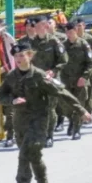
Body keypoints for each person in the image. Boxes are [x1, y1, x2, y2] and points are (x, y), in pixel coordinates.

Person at [0, 41, 90, 183]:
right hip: (20, 123)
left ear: (30, 56)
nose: (19, 59)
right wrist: (12, 101)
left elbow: (62, 92)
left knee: (25, 155)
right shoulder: (11, 76)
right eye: (16, 56)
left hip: (39, 122)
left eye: (22, 55)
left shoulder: (40, 76)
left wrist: (81, 110)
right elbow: (1, 94)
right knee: (33, 157)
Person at [29, 17, 68, 147]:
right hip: (36, 82)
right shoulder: (31, 44)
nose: (37, 28)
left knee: (50, 109)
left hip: (51, 80)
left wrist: (54, 71)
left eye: (39, 25)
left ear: (45, 26)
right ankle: (40, 134)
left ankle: (49, 135)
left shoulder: (54, 41)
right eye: (35, 26)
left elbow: (63, 60)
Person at [61, 23, 92, 140]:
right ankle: (71, 120)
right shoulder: (63, 46)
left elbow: (91, 64)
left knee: (78, 104)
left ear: (76, 31)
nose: (68, 35)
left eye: (70, 32)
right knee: (66, 106)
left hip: (80, 81)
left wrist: (84, 77)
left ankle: (76, 129)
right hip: (66, 81)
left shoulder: (84, 45)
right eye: (66, 32)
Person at [0, 18, 18, 148]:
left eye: (0, 27)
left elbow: (14, 56)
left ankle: (11, 135)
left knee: (9, 107)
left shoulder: (8, 39)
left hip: (8, 76)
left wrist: (5, 68)